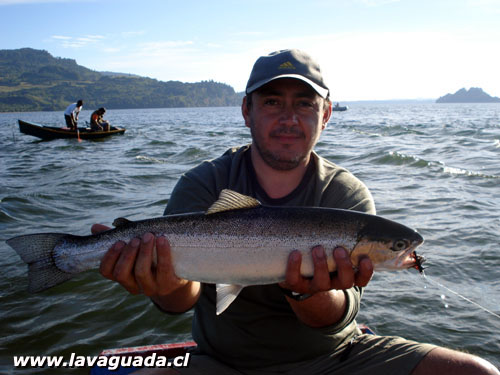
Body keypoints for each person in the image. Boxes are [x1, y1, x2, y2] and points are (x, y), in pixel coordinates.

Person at [93, 50, 499, 375]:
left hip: (336, 358)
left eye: (304, 104)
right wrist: (161, 282)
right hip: (219, 363)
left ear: (325, 114)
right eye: (272, 102)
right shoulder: (203, 182)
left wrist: (307, 291)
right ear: (246, 111)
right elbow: (181, 301)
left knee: (477, 372)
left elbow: (334, 321)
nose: (288, 119)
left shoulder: (346, 194)